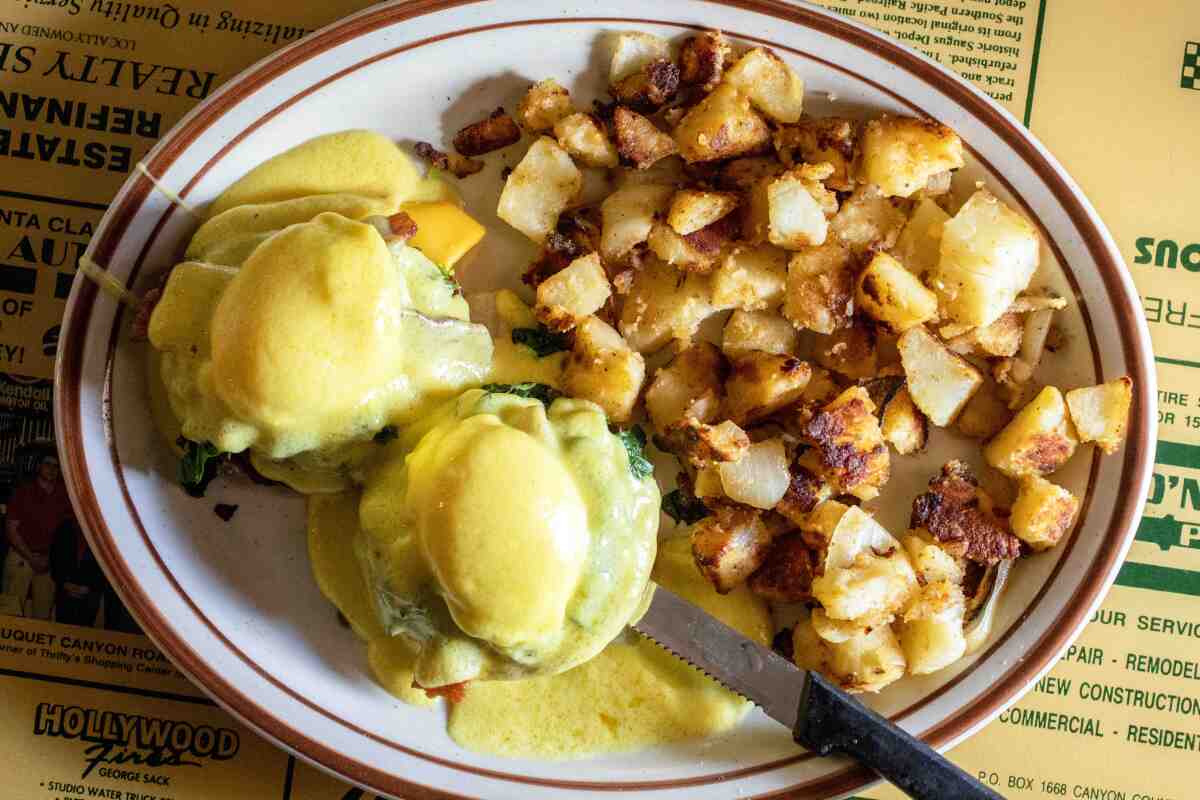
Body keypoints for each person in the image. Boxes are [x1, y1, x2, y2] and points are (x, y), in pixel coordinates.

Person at [2, 453, 72, 619]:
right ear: (38, 467)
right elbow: (11, 529)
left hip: (49, 561)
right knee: (10, 612)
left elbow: (67, 533)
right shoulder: (23, 492)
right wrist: (31, 558)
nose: (52, 469)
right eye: (48, 464)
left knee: (43, 614)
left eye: (56, 466)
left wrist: (50, 558)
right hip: (21, 557)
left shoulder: (65, 495)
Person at [50, 517, 105, 627]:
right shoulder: (65, 527)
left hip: (90, 594)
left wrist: (90, 588)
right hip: (65, 590)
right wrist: (64, 583)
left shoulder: (103, 531)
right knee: (62, 629)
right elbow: (55, 558)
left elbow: (105, 565)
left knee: (84, 633)